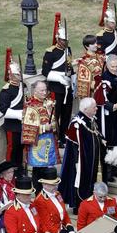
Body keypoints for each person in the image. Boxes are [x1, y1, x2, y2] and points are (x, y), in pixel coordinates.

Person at [59, 97, 109, 213]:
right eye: (94, 107)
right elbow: (73, 147)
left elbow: (95, 134)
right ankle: (80, 207)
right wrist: (77, 163)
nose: (97, 109)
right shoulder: (77, 123)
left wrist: (101, 140)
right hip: (81, 162)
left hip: (93, 160)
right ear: (86, 109)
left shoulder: (90, 119)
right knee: (81, 183)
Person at [41, 14, 74, 144]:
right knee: (56, 114)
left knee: (67, 114)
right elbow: (45, 72)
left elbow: (70, 66)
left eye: (66, 40)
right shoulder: (51, 52)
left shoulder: (68, 50)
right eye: (63, 40)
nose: (65, 42)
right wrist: (60, 78)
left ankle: (63, 137)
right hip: (56, 89)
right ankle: (55, 138)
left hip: (68, 88)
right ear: (58, 39)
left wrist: (73, 82)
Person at [21, 79, 59, 189]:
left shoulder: (48, 103)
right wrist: (44, 127)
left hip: (49, 141)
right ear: (35, 91)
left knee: (47, 170)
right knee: (38, 170)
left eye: (45, 90)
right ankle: (38, 193)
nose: (44, 92)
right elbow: (27, 127)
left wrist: (54, 125)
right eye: (41, 90)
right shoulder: (30, 106)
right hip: (38, 143)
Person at [31, 167, 74, 233]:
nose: (56, 187)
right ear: (44, 184)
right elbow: (46, 223)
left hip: (63, 228)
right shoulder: (40, 200)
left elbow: (64, 213)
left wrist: (70, 228)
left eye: (56, 184)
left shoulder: (57, 194)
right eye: (53, 185)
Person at [0, 50, 24, 165]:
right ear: (10, 75)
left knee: (22, 150)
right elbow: (4, 110)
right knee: (12, 150)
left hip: (24, 125)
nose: (19, 75)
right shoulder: (6, 91)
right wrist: (19, 114)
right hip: (12, 126)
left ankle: (20, 169)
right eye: (17, 74)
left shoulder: (23, 86)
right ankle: (10, 171)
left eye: (19, 73)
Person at [75, 34, 105, 101]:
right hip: (93, 94)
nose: (96, 45)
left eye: (96, 42)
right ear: (87, 46)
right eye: (93, 43)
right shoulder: (83, 61)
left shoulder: (101, 57)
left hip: (105, 90)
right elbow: (83, 83)